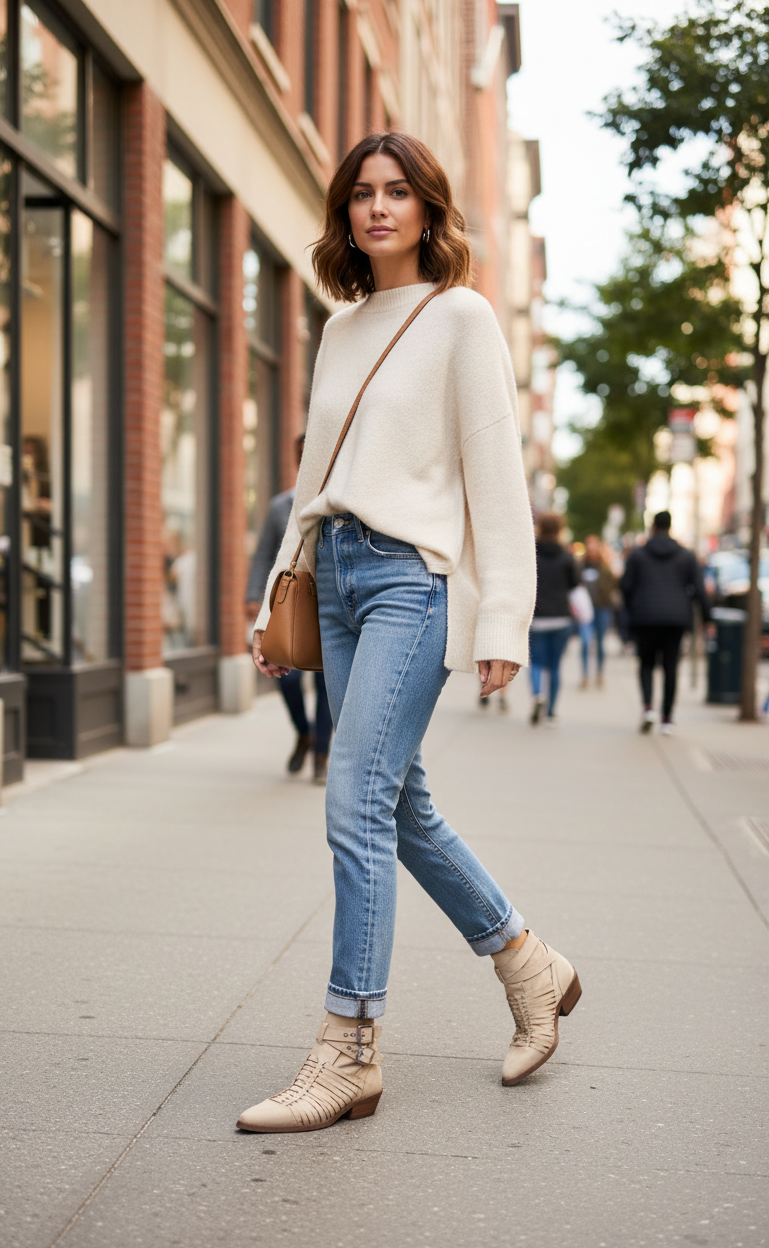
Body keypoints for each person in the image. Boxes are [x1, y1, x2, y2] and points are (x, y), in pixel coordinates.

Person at [237, 131, 581, 1135]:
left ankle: (348, 1048)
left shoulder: (462, 317)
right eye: (361, 194)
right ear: (344, 212)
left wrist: (505, 614)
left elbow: (494, 475)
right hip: (334, 577)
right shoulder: (340, 328)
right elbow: (310, 483)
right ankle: (529, 963)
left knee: (355, 798)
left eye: (398, 193)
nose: (377, 208)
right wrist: (275, 599)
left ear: (429, 210)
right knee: (399, 803)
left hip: (406, 582)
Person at [246, 435, 332, 783]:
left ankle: (322, 755)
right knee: (287, 678)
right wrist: (255, 596)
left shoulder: (340, 503)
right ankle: (304, 732)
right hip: (292, 607)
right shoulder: (281, 505)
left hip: (330, 605)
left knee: (329, 684)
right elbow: (264, 554)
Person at [620, 510, 711, 734]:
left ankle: (648, 708)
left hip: (645, 617)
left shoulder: (639, 554)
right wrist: (707, 618)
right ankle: (667, 718)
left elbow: (625, 587)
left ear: (653, 526)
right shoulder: (686, 555)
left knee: (646, 664)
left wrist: (631, 613)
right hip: (675, 619)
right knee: (671, 667)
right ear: (670, 527)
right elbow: (699, 589)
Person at [528, 513, 578, 726]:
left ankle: (538, 694)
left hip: (537, 618)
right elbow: (575, 587)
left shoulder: (531, 554)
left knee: (537, 662)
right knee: (555, 666)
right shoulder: (567, 557)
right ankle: (551, 712)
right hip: (561, 618)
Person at [578, 535, 619, 689]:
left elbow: (613, 586)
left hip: (602, 609)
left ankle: (600, 673)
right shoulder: (580, 566)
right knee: (585, 642)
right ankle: (585, 674)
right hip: (585, 611)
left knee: (601, 643)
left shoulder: (605, 567)